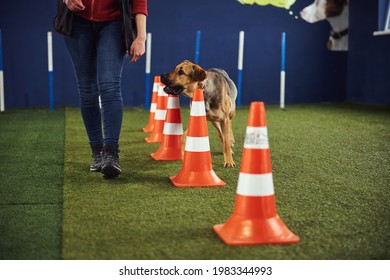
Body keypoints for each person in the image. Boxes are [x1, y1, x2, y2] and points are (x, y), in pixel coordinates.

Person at [63, 0, 148, 178]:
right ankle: (97, 152)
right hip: (78, 22)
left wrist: (141, 36)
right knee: (87, 89)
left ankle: (111, 154)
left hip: (114, 23)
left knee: (110, 85)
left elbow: (139, 2)